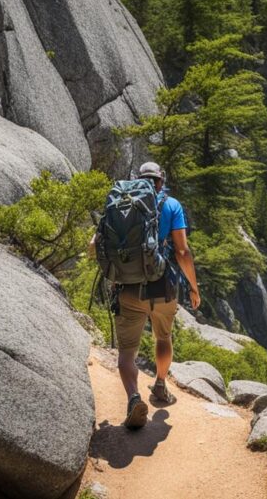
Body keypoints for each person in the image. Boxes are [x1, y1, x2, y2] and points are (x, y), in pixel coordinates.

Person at [89, 161, 201, 429]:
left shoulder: (121, 205)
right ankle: (160, 386)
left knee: (127, 353)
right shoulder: (171, 205)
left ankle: (134, 398)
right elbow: (182, 252)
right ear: (160, 181)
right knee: (164, 337)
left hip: (127, 288)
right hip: (163, 288)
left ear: (139, 180)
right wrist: (194, 287)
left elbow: (94, 246)